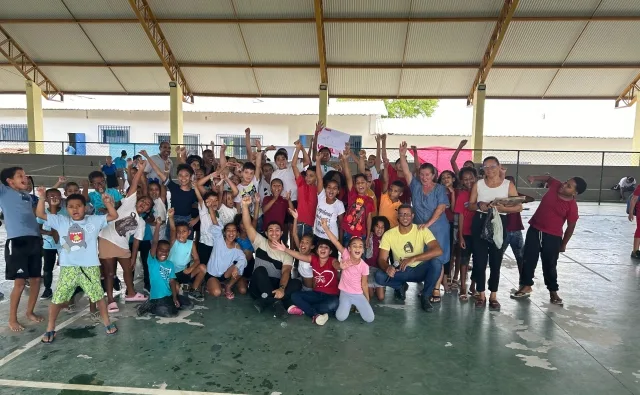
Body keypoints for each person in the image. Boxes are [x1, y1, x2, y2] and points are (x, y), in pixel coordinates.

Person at [36, 189, 118, 343]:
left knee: (99, 297)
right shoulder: (62, 221)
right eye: (71, 206)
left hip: (90, 267)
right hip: (69, 268)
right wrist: (41, 197)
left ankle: (107, 322)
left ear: (85, 207)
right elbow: (40, 214)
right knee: (58, 299)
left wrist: (107, 203)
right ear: (66, 209)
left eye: (79, 206)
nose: (75, 209)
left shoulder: (93, 220)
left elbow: (114, 215)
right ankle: (50, 327)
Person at [512, 174, 586, 305]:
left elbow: (571, 226)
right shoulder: (556, 185)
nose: (563, 185)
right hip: (535, 230)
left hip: (552, 236)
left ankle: (553, 291)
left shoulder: (572, 206)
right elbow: (548, 178)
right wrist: (534, 178)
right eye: (565, 182)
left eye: (568, 186)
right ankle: (526, 285)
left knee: (550, 264)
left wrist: (563, 244)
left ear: (575, 193)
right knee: (528, 258)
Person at [398, 142, 450, 304]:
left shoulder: (440, 189)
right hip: (420, 229)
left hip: (438, 228)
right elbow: (406, 172)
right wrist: (402, 155)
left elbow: (441, 208)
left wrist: (428, 223)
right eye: (422, 174)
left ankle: (435, 288)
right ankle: (428, 286)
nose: (424, 177)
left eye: (428, 174)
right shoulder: (415, 186)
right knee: (424, 257)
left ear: (434, 175)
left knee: (437, 258)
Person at [468, 156, 522, 309]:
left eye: (492, 166)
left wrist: (503, 209)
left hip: (499, 222)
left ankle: (493, 295)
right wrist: (480, 204)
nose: (489, 170)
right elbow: (470, 205)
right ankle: (481, 294)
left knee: (496, 259)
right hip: (480, 221)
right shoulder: (478, 184)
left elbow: (518, 207)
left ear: (499, 167)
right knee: (479, 260)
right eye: (485, 167)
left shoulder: (508, 185)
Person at [97, 159, 151, 312]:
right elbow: (134, 185)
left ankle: (131, 293)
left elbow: (136, 242)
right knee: (109, 272)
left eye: (147, 205)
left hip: (122, 245)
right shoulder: (128, 204)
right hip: (107, 239)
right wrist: (140, 170)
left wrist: (134, 257)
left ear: (147, 210)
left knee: (128, 269)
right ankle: (110, 300)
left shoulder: (141, 222)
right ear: (137, 200)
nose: (144, 204)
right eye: (143, 201)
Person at [374, 205, 444, 311]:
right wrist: (387, 267)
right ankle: (400, 286)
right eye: (401, 214)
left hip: (419, 270)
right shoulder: (389, 234)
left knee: (437, 263)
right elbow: (381, 259)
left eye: (407, 214)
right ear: (398, 216)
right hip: (401, 270)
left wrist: (413, 259)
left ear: (412, 216)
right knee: (379, 276)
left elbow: (438, 250)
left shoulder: (421, 230)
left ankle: (425, 297)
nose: (404, 217)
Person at [0, 167, 45, 331]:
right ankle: (12, 319)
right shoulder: (4, 192)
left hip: (33, 240)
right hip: (17, 242)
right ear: (9, 181)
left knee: (36, 280)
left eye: (25, 174)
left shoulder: (27, 196)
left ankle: (29, 312)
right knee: (19, 283)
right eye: (20, 175)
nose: (24, 177)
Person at [242, 195, 301, 316]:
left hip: (275, 287)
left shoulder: (286, 251)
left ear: (282, 232)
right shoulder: (259, 241)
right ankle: (277, 302)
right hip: (257, 287)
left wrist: (282, 288)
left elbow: (286, 272)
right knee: (260, 270)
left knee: (297, 283)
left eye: (277, 230)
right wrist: (244, 206)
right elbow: (247, 225)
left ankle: (267, 301)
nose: (274, 233)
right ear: (266, 232)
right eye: (271, 230)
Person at [273, 237, 340, 326]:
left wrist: (341, 265)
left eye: (326, 247)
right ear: (317, 250)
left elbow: (338, 265)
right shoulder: (314, 259)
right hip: (316, 294)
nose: (323, 249)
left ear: (330, 252)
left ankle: (306, 309)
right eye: (321, 247)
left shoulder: (332, 260)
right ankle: (315, 315)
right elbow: (299, 255)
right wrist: (285, 249)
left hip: (331, 296)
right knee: (295, 296)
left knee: (333, 304)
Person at [320, 218, 374, 323]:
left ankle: (355, 306)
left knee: (370, 319)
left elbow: (364, 285)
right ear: (349, 249)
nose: (357, 248)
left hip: (358, 294)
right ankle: (349, 306)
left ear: (363, 250)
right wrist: (325, 228)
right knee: (340, 317)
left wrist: (367, 300)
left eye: (360, 246)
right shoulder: (345, 254)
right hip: (345, 293)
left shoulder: (364, 266)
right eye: (354, 246)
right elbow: (335, 241)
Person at [137, 217, 192, 318]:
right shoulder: (152, 261)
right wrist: (158, 225)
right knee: (172, 313)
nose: (164, 252)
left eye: (167, 251)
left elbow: (171, 281)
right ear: (156, 250)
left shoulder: (170, 264)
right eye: (161, 250)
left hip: (169, 295)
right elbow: (154, 242)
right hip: (157, 297)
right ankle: (149, 306)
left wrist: (175, 298)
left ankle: (169, 303)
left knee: (188, 304)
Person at [201, 195, 248, 300]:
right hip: (212, 274)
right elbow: (214, 222)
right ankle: (210, 285)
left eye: (234, 230)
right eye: (228, 230)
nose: (231, 233)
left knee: (240, 267)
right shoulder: (219, 239)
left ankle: (228, 286)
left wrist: (236, 267)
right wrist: (210, 208)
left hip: (225, 275)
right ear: (224, 232)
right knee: (217, 293)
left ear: (237, 233)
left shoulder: (237, 247)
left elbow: (243, 260)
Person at [143, 151, 198, 239]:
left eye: (186, 175)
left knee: (186, 246)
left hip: (187, 222)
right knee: (171, 245)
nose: (183, 178)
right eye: (180, 175)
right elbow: (159, 172)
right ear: (177, 176)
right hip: (173, 219)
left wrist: (196, 219)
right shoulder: (173, 187)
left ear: (191, 176)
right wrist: (147, 156)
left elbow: (204, 206)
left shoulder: (194, 192)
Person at [167, 207, 206, 301]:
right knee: (175, 289)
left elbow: (197, 260)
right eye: (178, 232)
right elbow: (172, 229)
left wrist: (190, 269)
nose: (181, 234)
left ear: (189, 233)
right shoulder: (174, 241)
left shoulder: (191, 243)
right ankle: (180, 287)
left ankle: (193, 290)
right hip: (172, 274)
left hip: (184, 272)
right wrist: (171, 217)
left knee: (203, 268)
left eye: (184, 231)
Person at [340, 147, 375, 246]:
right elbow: (348, 176)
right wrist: (345, 160)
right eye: (358, 183)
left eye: (363, 182)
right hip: (348, 233)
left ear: (367, 184)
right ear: (355, 185)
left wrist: (368, 236)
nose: (360, 185)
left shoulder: (369, 200)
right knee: (347, 258)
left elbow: (369, 219)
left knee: (360, 259)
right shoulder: (352, 194)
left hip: (362, 234)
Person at [454, 167, 478, 301]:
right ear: (462, 181)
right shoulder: (462, 195)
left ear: (476, 177)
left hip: (479, 233)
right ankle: (463, 287)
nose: (468, 181)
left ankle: (473, 286)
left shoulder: (482, 191)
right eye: (465, 179)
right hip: (466, 233)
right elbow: (461, 215)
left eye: (471, 178)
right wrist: (461, 235)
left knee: (478, 261)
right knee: (464, 260)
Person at [313, 161, 345, 257]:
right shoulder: (321, 196)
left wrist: (340, 242)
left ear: (338, 191)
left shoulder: (339, 204)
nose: (331, 190)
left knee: (331, 262)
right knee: (317, 261)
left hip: (332, 238)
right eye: (329, 187)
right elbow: (319, 178)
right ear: (325, 189)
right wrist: (318, 161)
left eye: (335, 188)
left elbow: (341, 224)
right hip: (317, 235)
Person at [37, 188, 64, 300]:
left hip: (64, 245)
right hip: (48, 245)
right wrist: (49, 233)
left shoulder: (65, 211)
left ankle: (66, 288)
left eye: (57, 196)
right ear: (46, 199)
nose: (54, 198)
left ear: (61, 198)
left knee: (66, 266)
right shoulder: (43, 213)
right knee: (48, 268)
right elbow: (38, 229)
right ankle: (48, 289)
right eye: (51, 196)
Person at [365, 216, 390, 301]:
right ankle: (373, 288)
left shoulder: (387, 239)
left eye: (382, 227)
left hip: (380, 269)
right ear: (373, 227)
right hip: (369, 269)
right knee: (370, 295)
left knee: (381, 297)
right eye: (377, 226)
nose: (380, 229)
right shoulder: (369, 237)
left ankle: (380, 286)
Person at [378, 158, 404, 228]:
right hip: (381, 231)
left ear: (400, 194)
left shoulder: (400, 206)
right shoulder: (385, 196)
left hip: (393, 233)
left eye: (396, 191)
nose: (392, 192)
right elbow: (386, 181)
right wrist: (386, 167)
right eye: (391, 189)